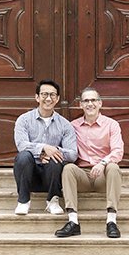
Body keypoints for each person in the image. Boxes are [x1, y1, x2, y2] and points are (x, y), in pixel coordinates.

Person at [54, 86, 124, 239]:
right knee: (68, 168)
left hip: (103, 176)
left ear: (100, 103)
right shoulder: (73, 126)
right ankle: (73, 222)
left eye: (93, 100)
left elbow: (118, 151)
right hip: (83, 176)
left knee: (113, 166)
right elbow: (65, 149)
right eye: (86, 100)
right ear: (80, 105)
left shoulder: (111, 124)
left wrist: (102, 163)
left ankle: (111, 221)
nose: (89, 104)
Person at [13, 79, 77, 216]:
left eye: (52, 95)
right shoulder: (24, 120)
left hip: (52, 174)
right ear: (37, 97)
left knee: (55, 157)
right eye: (44, 94)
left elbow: (72, 154)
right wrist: (43, 148)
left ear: (57, 98)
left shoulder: (65, 125)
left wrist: (54, 150)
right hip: (29, 173)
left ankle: (53, 201)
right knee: (23, 156)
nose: (48, 98)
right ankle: (23, 201)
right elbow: (21, 145)